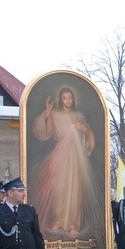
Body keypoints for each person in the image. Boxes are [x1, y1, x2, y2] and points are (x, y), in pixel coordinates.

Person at [31, 87, 101, 239]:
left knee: (75, 190)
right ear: (60, 99)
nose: (68, 101)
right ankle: (58, 220)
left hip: (76, 157)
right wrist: (48, 112)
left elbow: (88, 135)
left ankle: (74, 223)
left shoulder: (78, 115)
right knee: (60, 189)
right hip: (60, 155)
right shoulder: (55, 114)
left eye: (70, 98)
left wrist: (85, 129)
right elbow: (43, 132)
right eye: (65, 98)